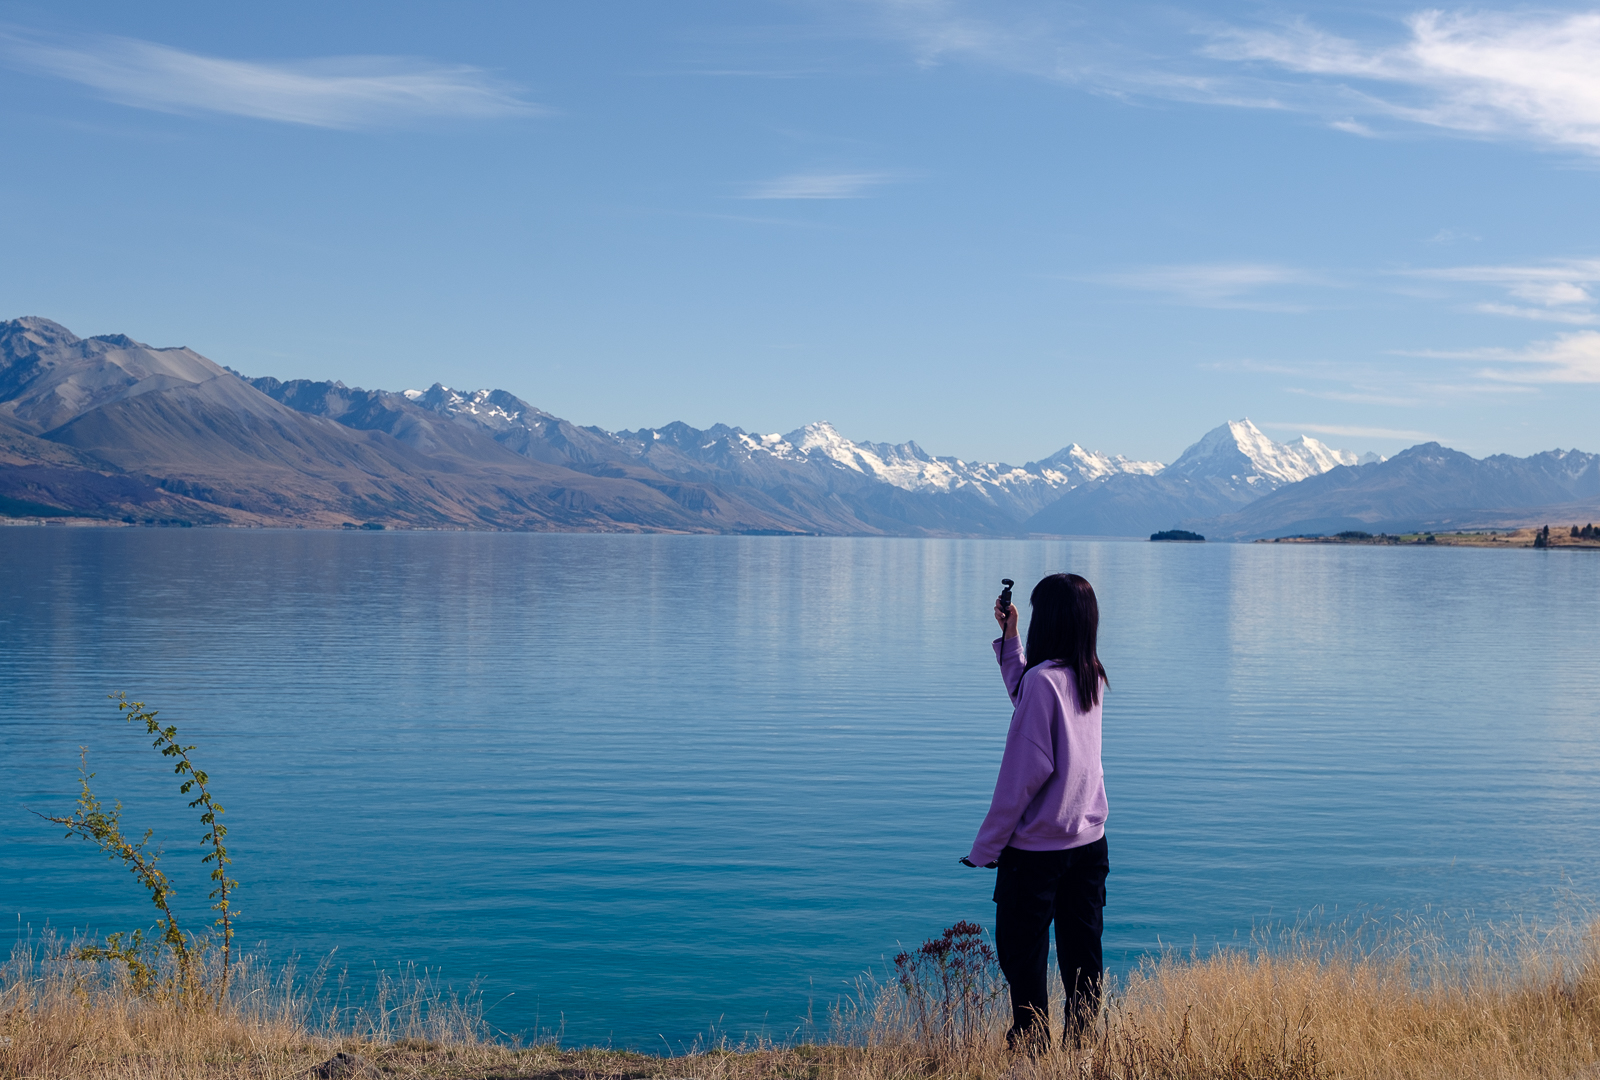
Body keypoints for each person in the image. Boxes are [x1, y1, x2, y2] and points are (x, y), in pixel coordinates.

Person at [960, 573, 1109, 1048]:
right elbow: (1034, 700)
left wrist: (985, 848)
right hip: (1089, 843)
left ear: (1050, 618)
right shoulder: (1091, 674)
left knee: (1022, 958)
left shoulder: (1045, 682)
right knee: (1083, 956)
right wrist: (1011, 639)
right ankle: (1082, 1051)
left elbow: (1020, 779)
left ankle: (1031, 1054)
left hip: (1037, 853)